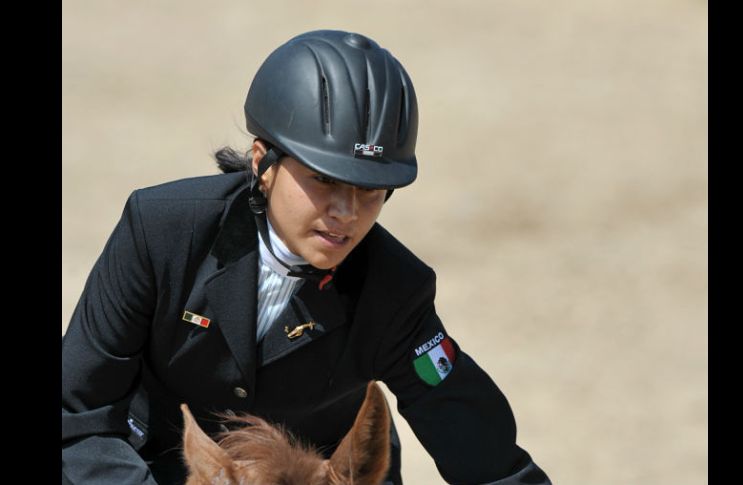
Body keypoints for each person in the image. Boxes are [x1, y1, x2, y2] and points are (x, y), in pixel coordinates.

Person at [62, 29, 552, 485]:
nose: (346, 214)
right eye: (323, 179)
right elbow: (77, 411)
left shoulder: (395, 290)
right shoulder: (160, 232)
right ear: (263, 163)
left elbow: (479, 445)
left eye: (370, 191)